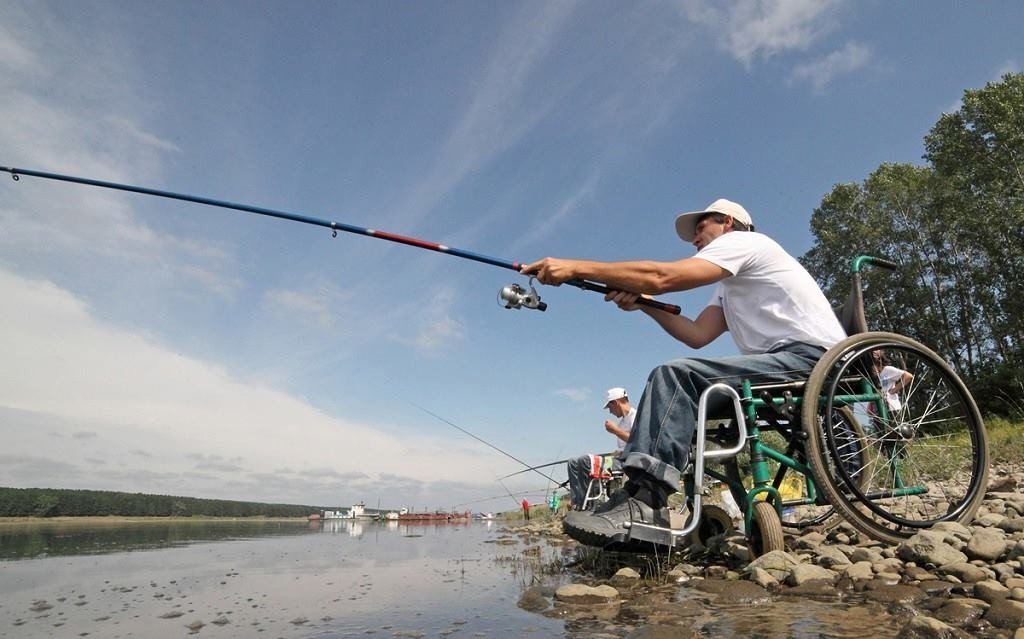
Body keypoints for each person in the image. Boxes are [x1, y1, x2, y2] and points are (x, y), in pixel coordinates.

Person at [521, 198, 847, 546]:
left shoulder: (748, 242)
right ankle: (641, 501)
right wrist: (644, 303)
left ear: (728, 222)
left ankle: (646, 501)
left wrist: (575, 267)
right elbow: (697, 335)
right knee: (680, 377)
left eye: (701, 227)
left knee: (675, 375)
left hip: (813, 359)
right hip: (779, 365)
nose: (694, 238)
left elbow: (663, 277)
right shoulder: (728, 288)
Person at [565, 387, 636, 510]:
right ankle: (577, 502)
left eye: (610, 407)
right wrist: (618, 452)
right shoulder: (622, 422)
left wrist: (616, 431)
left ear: (616, 402)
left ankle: (588, 505)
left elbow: (639, 441)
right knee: (572, 462)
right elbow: (626, 445)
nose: (610, 412)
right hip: (620, 459)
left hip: (629, 462)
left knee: (586, 460)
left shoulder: (636, 417)